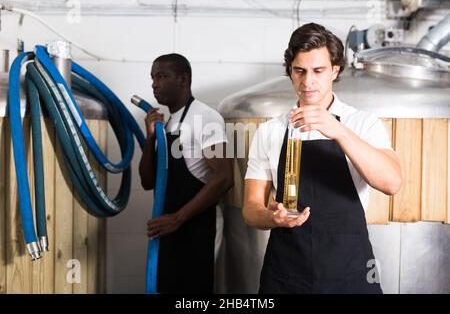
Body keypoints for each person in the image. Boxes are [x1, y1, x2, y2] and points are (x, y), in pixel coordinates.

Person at [243, 23, 402, 294]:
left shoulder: (362, 123)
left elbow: (391, 183)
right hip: (286, 274)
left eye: (318, 71)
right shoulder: (270, 131)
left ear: (335, 71)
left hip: (349, 271)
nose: (308, 82)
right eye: (299, 71)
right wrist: (273, 218)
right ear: (290, 72)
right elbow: (250, 209)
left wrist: (337, 130)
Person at [139, 53, 233, 294]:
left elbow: (224, 178)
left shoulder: (205, 117)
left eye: (161, 76)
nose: (154, 84)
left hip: (197, 230)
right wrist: (151, 137)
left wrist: (178, 218)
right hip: (169, 228)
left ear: (183, 79)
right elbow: (148, 181)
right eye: (152, 77)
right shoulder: (169, 124)